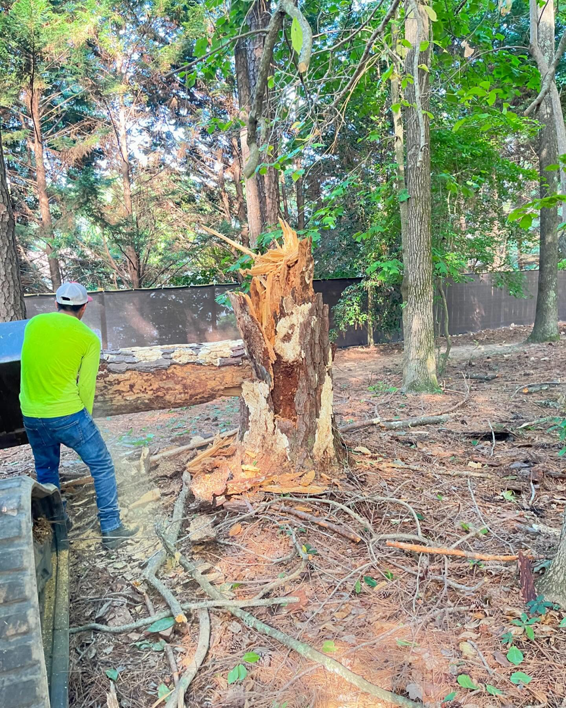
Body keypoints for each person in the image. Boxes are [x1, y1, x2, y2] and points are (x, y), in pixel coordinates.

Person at [19, 282, 138, 550]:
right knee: (102, 465)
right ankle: (111, 528)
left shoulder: (34, 324)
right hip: (67, 414)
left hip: (31, 414)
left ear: (56, 304)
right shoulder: (88, 338)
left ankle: (58, 534)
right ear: (84, 307)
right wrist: (86, 418)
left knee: (47, 470)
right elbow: (86, 385)